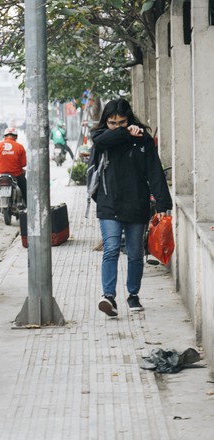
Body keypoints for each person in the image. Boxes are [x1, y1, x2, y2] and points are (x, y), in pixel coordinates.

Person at [88, 98, 172, 317]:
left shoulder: (142, 140)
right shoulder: (101, 137)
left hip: (137, 203)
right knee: (112, 249)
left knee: (135, 253)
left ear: (129, 119)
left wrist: (162, 203)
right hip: (109, 203)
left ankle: (133, 295)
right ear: (106, 121)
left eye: (122, 122)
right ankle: (108, 297)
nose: (116, 126)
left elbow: (154, 171)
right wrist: (125, 133)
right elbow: (101, 141)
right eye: (112, 122)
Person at [0, 127, 27, 218]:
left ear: (5, 136)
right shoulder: (20, 147)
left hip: (1, 175)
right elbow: (24, 164)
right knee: (25, 189)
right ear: (16, 136)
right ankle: (29, 209)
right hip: (17, 175)